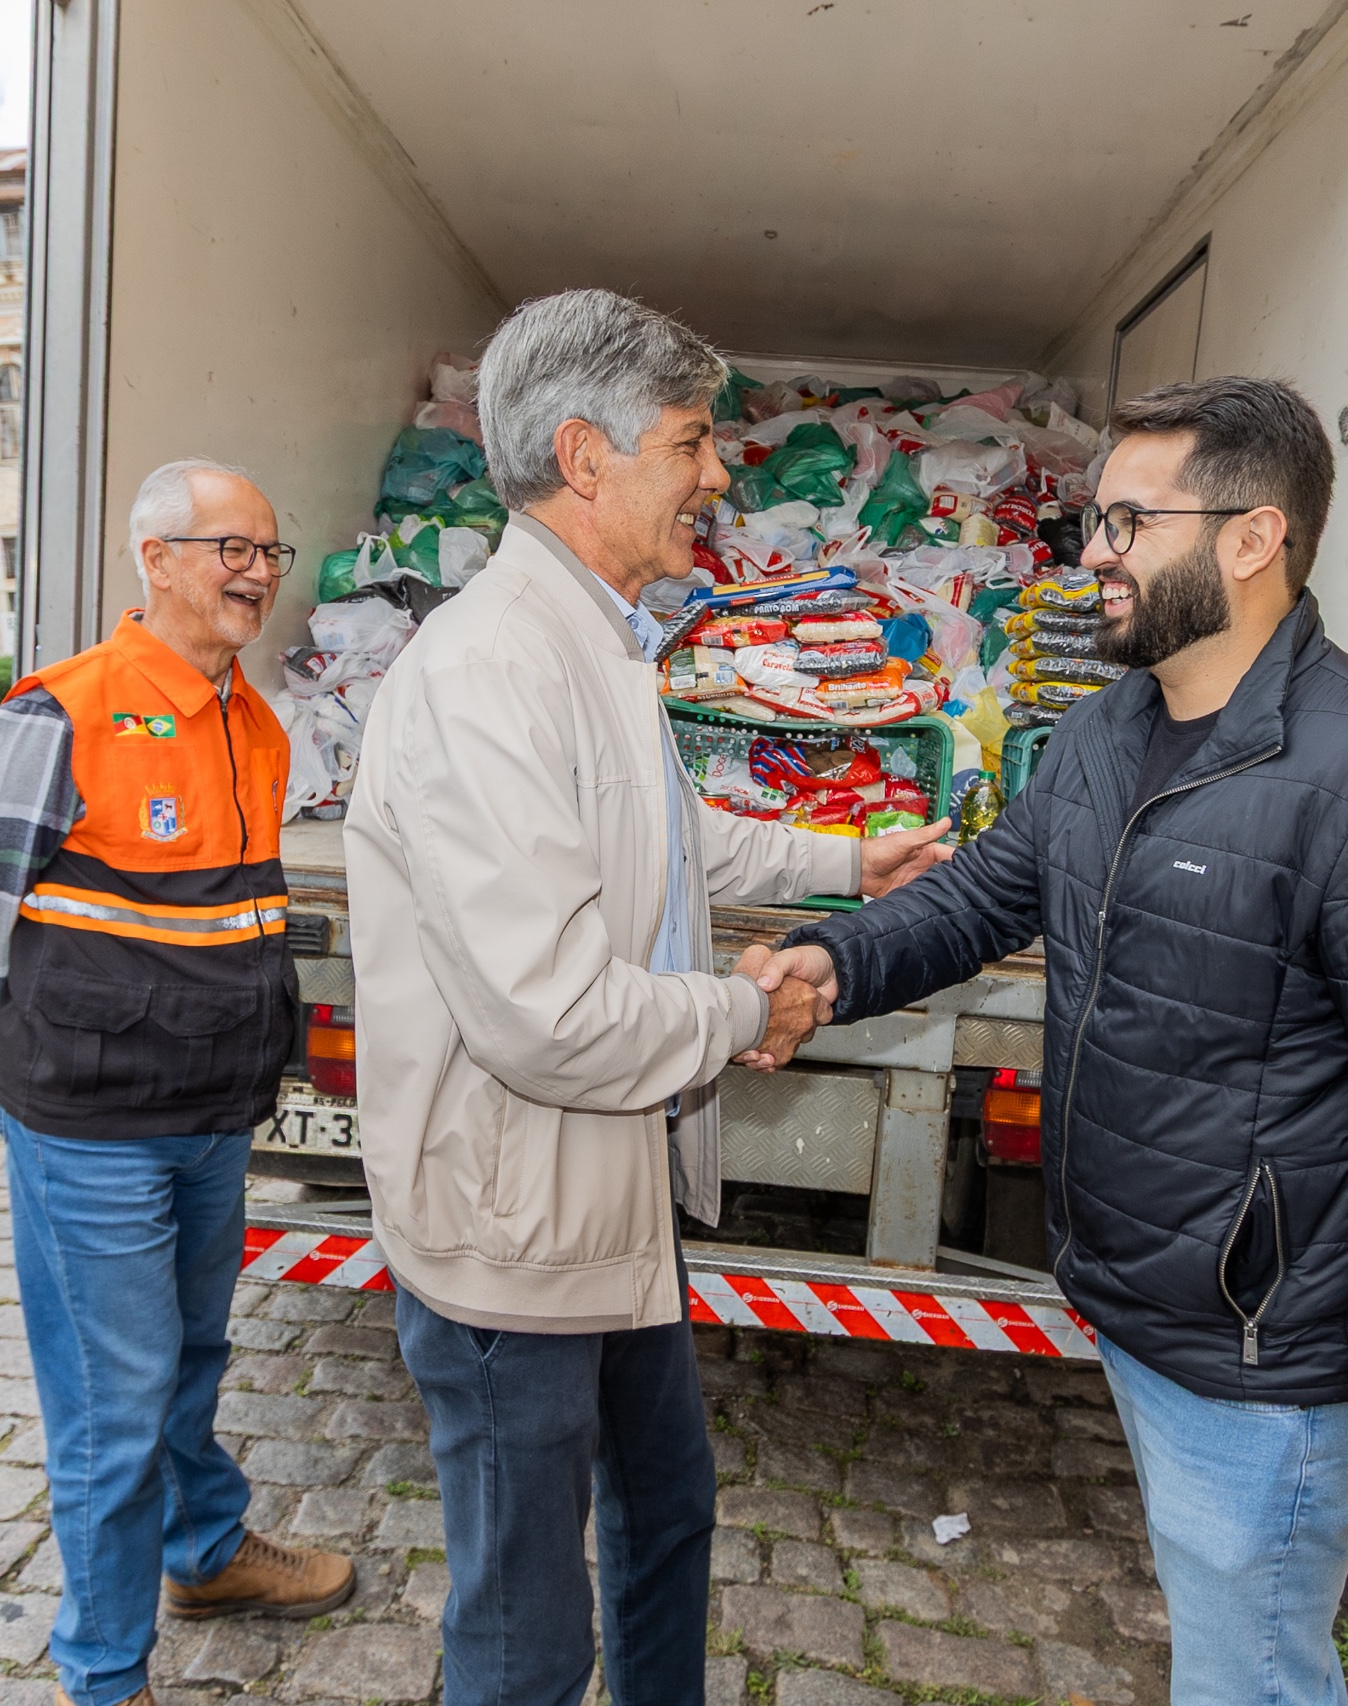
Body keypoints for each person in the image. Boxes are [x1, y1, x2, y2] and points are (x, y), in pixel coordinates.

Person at [740, 378, 1348, 1706]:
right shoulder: (1106, 731)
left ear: (1251, 538)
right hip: (1141, 1306)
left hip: (1267, 1368)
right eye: (1097, 520)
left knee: (1247, 1680)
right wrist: (832, 963)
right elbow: (984, 896)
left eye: (1130, 521)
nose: (1094, 551)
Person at [342, 289, 950, 1706]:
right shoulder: (490, 672)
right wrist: (744, 1011)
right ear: (585, 455)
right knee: (527, 1635)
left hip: (606, 1199)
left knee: (669, 1514)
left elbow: (667, 833)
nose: (718, 473)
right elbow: (547, 1014)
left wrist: (843, 859)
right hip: (515, 1235)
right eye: (690, 441)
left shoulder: (597, 638)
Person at [0, 459, 357, 1706]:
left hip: (213, 1111)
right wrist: (47, 1033)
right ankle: (104, 1672)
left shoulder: (254, 721)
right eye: (231, 547)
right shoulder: (61, 712)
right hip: (93, 1124)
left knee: (191, 1352)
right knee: (112, 1407)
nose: (257, 572)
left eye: (268, 552)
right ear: (155, 558)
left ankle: (205, 1553)